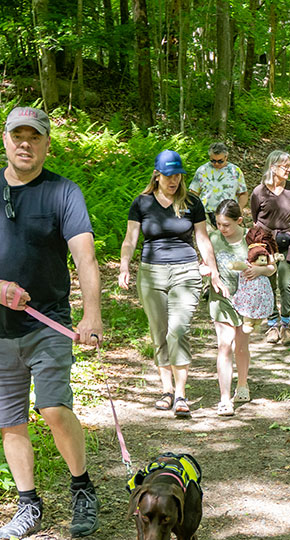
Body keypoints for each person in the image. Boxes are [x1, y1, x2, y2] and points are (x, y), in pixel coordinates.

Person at [0, 106, 102, 540]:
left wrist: (92, 314)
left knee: (53, 408)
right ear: (4, 140)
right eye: (17, 136)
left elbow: (85, 257)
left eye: (34, 137)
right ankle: (28, 504)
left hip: (48, 322)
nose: (25, 144)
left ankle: (81, 488)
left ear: (46, 144)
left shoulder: (63, 192)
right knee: (9, 422)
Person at [119, 149, 225, 418]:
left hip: (185, 271)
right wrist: (124, 266)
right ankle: (166, 391)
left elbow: (202, 237)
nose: (173, 180)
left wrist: (212, 269)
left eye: (177, 174)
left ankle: (180, 394)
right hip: (151, 272)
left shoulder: (191, 202)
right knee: (159, 332)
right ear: (157, 175)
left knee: (177, 330)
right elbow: (131, 238)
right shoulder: (141, 203)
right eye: (168, 175)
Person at [206, 199, 276, 416]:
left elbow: (272, 266)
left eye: (227, 224)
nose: (222, 229)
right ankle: (225, 399)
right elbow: (205, 262)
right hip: (222, 298)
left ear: (239, 221)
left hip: (247, 300)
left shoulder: (253, 237)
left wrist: (259, 271)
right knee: (224, 345)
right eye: (218, 223)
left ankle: (242, 384)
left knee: (241, 346)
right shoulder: (213, 238)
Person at [250, 150, 290, 345]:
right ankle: (272, 324)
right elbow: (256, 217)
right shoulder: (259, 191)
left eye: (289, 165)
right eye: (284, 166)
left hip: (287, 242)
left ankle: (286, 325)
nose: (289, 169)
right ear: (273, 167)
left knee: (286, 284)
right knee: (268, 283)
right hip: (265, 243)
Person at [189, 142, 249, 227]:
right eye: (213, 161)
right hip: (206, 217)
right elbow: (193, 193)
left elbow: (243, 194)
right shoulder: (202, 170)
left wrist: (240, 208)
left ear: (226, 157)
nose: (216, 164)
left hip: (229, 215)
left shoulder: (235, 171)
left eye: (220, 161)